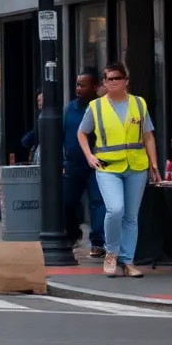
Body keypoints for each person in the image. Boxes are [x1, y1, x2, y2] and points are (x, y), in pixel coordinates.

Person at [76, 62, 161, 278]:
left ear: (126, 81)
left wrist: (154, 164)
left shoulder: (139, 104)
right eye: (108, 79)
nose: (112, 82)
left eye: (117, 78)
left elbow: (148, 136)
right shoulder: (96, 106)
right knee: (115, 209)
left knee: (131, 216)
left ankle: (128, 261)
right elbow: (82, 133)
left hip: (136, 165)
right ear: (103, 82)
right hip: (108, 166)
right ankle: (111, 253)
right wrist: (89, 156)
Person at [64, 68, 106, 257]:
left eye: (83, 85)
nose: (78, 88)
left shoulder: (101, 108)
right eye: (77, 84)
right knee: (67, 202)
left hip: (96, 164)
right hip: (73, 165)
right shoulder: (69, 109)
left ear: (95, 87)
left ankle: (97, 242)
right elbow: (60, 135)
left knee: (97, 202)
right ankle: (72, 234)